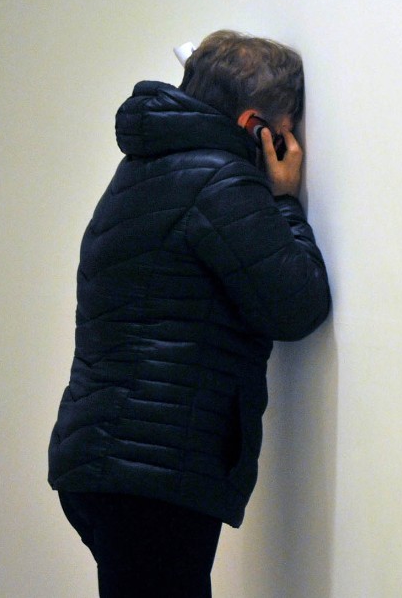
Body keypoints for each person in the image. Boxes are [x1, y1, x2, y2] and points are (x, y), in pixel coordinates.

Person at [47, 29, 331, 598]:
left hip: (105, 462)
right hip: (154, 477)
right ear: (257, 128)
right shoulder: (218, 181)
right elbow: (297, 303)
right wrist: (283, 201)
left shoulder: (141, 172)